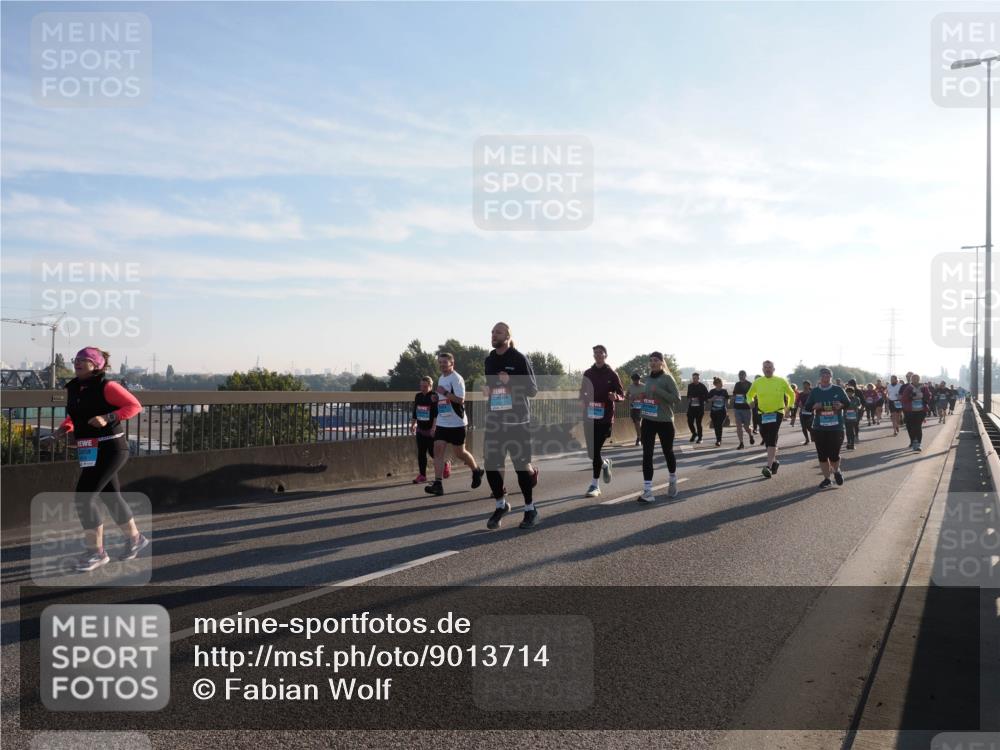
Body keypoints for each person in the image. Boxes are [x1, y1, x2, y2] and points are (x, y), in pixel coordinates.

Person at [43, 348, 147, 572]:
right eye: (76, 360)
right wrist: (60, 432)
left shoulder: (107, 386)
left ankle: (97, 552)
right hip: (90, 448)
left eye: (84, 360)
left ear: (96, 365)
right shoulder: (76, 388)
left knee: (84, 497)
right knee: (111, 497)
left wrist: (108, 417)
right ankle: (136, 538)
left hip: (111, 447)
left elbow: (134, 406)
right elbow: (75, 416)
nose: (78, 363)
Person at [482, 322, 540, 530]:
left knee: (519, 467)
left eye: (498, 332)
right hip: (496, 421)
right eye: (492, 332)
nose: (493, 335)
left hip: (518, 422)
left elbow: (533, 390)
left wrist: (512, 381)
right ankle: (501, 505)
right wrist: (488, 390)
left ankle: (530, 509)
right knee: (491, 465)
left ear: (507, 335)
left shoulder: (519, 358)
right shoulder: (489, 360)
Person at [424, 353, 483, 496]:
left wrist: (444, 392)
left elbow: (460, 400)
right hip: (443, 421)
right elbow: (442, 396)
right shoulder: (441, 378)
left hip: (456, 422)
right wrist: (436, 397)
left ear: (452, 363)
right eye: (440, 362)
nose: (442, 364)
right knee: (437, 451)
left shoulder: (457, 378)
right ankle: (438, 484)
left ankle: (476, 470)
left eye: (445, 362)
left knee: (460, 453)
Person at [580, 345, 625, 498]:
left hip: (605, 418)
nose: (598, 355)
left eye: (601, 353)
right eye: (595, 353)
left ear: (605, 355)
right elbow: (582, 392)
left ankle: (595, 485)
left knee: (595, 450)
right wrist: (583, 401)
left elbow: (621, 394)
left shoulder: (612, 374)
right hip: (589, 416)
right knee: (591, 453)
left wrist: (616, 397)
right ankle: (605, 464)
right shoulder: (588, 373)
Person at [637, 351, 681, 503]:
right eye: (651, 360)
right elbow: (650, 396)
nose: (653, 363)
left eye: (656, 360)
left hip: (665, 421)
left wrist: (659, 391)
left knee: (667, 451)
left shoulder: (667, 378)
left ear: (662, 362)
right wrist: (643, 398)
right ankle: (648, 491)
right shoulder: (648, 379)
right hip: (648, 420)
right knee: (647, 454)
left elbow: (676, 398)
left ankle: (673, 478)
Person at [745, 360, 796, 479]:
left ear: (774, 369)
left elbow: (791, 394)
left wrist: (789, 407)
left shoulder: (781, 381)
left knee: (772, 437)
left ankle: (768, 466)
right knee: (766, 438)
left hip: (777, 412)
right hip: (762, 413)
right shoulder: (758, 382)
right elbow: (748, 395)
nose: (767, 369)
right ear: (762, 369)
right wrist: (750, 402)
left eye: (770, 367)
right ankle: (774, 462)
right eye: (765, 367)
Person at [802, 368, 850, 487]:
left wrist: (841, 405)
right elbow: (807, 407)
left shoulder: (838, 390)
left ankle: (836, 470)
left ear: (831, 377)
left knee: (834, 455)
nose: (826, 376)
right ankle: (827, 479)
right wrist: (815, 406)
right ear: (820, 377)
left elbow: (847, 403)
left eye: (828, 374)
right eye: (823, 374)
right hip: (819, 428)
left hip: (836, 428)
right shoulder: (815, 392)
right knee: (822, 455)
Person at [410, 376, 450, 484]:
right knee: (421, 453)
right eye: (421, 386)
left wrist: (434, 428)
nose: (422, 388)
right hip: (420, 429)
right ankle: (422, 475)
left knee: (433, 453)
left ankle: (445, 464)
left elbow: (436, 414)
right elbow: (415, 411)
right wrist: (413, 424)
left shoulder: (434, 397)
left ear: (431, 386)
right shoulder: (418, 396)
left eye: (425, 386)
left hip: (431, 429)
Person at [900, 373, 932, 451]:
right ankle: (913, 440)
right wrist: (911, 396)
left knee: (917, 426)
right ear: (911, 379)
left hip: (921, 410)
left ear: (919, 379)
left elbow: (929, 396)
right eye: (913, 378)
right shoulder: (908, 387)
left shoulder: (924, 387)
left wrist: (923, 397)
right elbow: (904, 398)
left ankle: (918, 444)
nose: (915, 380)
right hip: (910, 410)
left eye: (917, 378)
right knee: (910, 427)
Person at [731, 370, 755, 449]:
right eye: (739, 375)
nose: (740, 376)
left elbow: (753, 396)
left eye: (742, 375)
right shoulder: (737, 384)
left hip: (746, 408)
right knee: (738, 426)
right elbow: (734, 394)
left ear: (745, 375)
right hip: (737, 408)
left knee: (746, 427)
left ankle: (750, 435)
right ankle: (741, 443)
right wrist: (734, 397)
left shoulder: (749, 384)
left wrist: (747, 400)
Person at [685, 373, 709, 444]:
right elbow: (688, 396)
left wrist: (700, 398)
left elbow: (707, 396)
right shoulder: (690, 386)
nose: (694, 379)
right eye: (693, 378)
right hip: (691, 408)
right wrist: (690, 399)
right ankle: (694, 433)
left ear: (698, 378)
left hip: (699, 408)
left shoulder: (702, 386)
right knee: (689, 422)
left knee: (698, 423)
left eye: (695, 378)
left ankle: (700, 438)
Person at [706, 377, 729, 447]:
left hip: (722, 412)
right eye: (719, 383)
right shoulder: (712, 391)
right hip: (714, 412)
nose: (721, 384)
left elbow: (728, 399)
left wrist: (727, 403)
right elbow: (707, 400)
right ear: (716, 384)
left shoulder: (724, 391)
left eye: (721, 383)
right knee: (716, 426)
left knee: (719, 425)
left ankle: (719, 440)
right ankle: (718, 439)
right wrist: (712, 399)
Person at [627, 372, 645, 446]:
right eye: (634, 380)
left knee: (639, 422)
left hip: (642, 406)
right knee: (636, 423)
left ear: (639, 379)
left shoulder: (644, 386)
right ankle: (640, 437)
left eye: (637, 380)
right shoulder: (630, 387)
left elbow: (649, 395)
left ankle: (640, 437)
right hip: (633, 406)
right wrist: (630, 397)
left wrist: (641, 397)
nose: (636, 381)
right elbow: (626, 395)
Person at [797, 380, 814, 444]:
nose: (805, 386)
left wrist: (812, 407)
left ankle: (813, 435)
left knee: (809, 426)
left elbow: (815, 401)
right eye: (804, 385)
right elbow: (797, 402)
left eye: (806, 385)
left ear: (809, 385)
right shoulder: (801, 394)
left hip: (810, 412)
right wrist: (799, 405)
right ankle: (807, 439)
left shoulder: (812, 393)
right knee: (803, 427)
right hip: (802, 412)